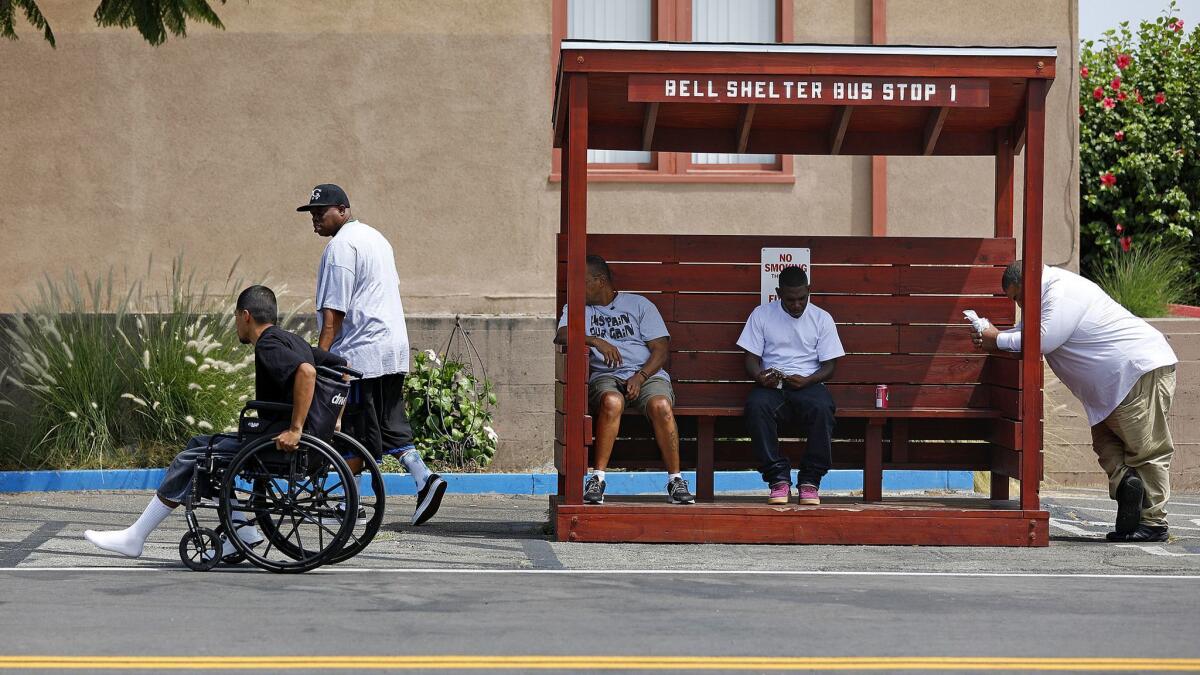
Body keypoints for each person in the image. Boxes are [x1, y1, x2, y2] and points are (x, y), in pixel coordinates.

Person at [85, 285, 345, 558]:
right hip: (287, 436)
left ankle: (135, 536)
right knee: (201, 444)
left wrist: (295, 429)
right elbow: (341, 368)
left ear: (245, 316)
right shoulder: (294, 340)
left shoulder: (268, 344)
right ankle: (240, 527)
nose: (236, 326)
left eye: (235, 318)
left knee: (193, 458)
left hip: (274, 440)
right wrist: (333, 420)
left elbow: (306, 372)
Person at [974, 262, 1178, 542]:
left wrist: (996, 340)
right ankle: (1127, 487)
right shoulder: (1045, 296)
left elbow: (1040, 340)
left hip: (1137, 370)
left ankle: (1153, 524)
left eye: (1018, 296)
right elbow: (1023, 334)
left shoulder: (1062, 292)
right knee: (1106, 445)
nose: (1019, 304)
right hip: (1112, 387)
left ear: (1030, 282)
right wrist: (996, 337)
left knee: (1145, 450)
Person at [300, 183, 447, 526]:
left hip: (360, 355)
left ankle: (345, 504)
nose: (315, 219)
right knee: (389, 425)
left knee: (352, 433)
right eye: (312, 214)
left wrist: (318, 363)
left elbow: (332, 319)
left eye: (321, 212)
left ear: (343, 211)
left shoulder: (340, 249)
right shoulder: (376, 238)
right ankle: (424, 479)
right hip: (392, 349)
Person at [554, 255, 694, 505]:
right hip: (606, 377)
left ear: (600, 281)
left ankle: (676, 480)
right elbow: (562, 335)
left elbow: (661, 349)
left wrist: (640, 377)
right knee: (611, 402)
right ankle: (597, 479)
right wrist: (595, 340)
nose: (576, 287)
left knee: (661, 405)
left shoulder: (638, 304)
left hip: (646, 374)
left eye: (581, 281)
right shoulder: (577, 308)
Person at [737, 266, 844, 506]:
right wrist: (759, 376)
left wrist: (808, 380)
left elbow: (830, 366)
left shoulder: (821, 318)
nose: (796, 305)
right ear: (778, 293)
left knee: (823, 408)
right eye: (790, 300)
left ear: (808, 291)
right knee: (756, 406)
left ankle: (810, 481)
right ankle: (778, 479)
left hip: (808, 383)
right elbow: (751, 358)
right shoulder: (762, 315)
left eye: (801, 299)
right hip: (772, 385)